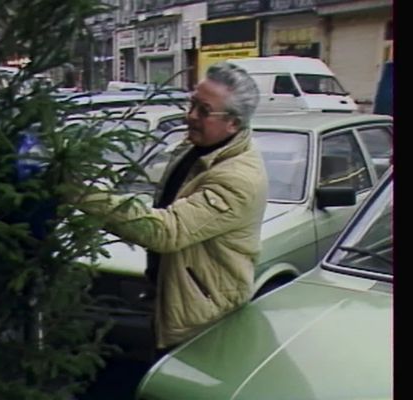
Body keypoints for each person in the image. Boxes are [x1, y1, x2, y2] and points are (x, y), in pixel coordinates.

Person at [73, 61, 268, 354]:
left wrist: (81, 193)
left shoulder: (238, 178)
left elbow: (167, 231)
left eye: (204, 111)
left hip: (204, 317)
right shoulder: (197, 148)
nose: (190, 116)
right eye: (191, 104)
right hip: (174, 295)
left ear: (234, 123)